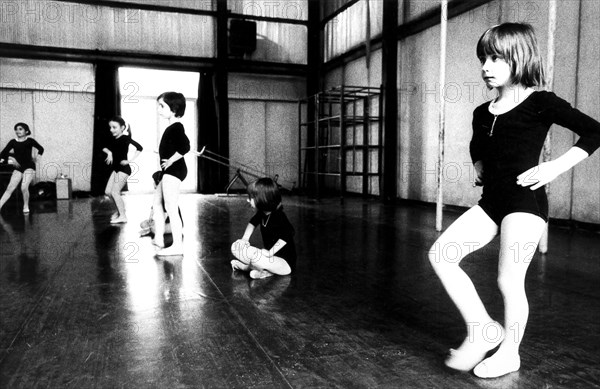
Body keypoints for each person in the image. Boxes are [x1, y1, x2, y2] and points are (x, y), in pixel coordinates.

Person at [428, 23, 600, 378]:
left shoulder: (541, 103)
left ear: (518, 58)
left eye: (495, 58)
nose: (485, 66)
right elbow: (478, 145)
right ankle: (482, 329)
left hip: (526, 204)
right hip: (492, 202)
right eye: (483, 59)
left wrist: (554, 168)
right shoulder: (481, 112)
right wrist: (479, 166)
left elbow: (595, 131)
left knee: (509, 280)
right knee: (441, 255)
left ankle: (510, 353)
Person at [231, 177, 296, 279]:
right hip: (268, 257)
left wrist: (270, 253)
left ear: (262, 199)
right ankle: (264, 272)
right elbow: (252, 223)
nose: (248, 200)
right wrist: (244, 239)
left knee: (257, 260)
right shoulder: (262, 213)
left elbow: (288, 234)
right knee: (235, 247)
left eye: (251, 197)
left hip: (284, 263)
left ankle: (246, 267)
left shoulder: (279, 216)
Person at [153, 92, 190, 256]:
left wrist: (170, 161)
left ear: (174, 109)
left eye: (162, 106)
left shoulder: (176, 127)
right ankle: (159, 238)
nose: (159, 109)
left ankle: (178, 246)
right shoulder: (172, 127)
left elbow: (185, 147)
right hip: (170, 171)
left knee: (171, 207)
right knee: (157, 203)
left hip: (174, 171)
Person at [102, 116, 143, 224]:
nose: (111, 130)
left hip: (124, 169)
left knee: (115, 192)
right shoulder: (113, 139)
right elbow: (103, 147)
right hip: (116, 169)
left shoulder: (125, 138)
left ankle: (123, 216)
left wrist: (130, 161)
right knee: (108, 192)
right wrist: (109, 152)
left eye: (114, 127)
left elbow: (140, 147)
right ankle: (120, 211)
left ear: (122, 127)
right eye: (110, 127)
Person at [0, 123, 44, 213]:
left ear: (26, 131)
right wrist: (12, 158)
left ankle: (26, 205)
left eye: (20, 129)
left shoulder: (30, 140)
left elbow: (41, 148)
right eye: (16, 129)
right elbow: (3, 153)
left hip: (29, 167)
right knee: (10, 188)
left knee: (24, 187)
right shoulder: (13, 142)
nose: (18, 131)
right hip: (19, 167)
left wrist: (37, 158)